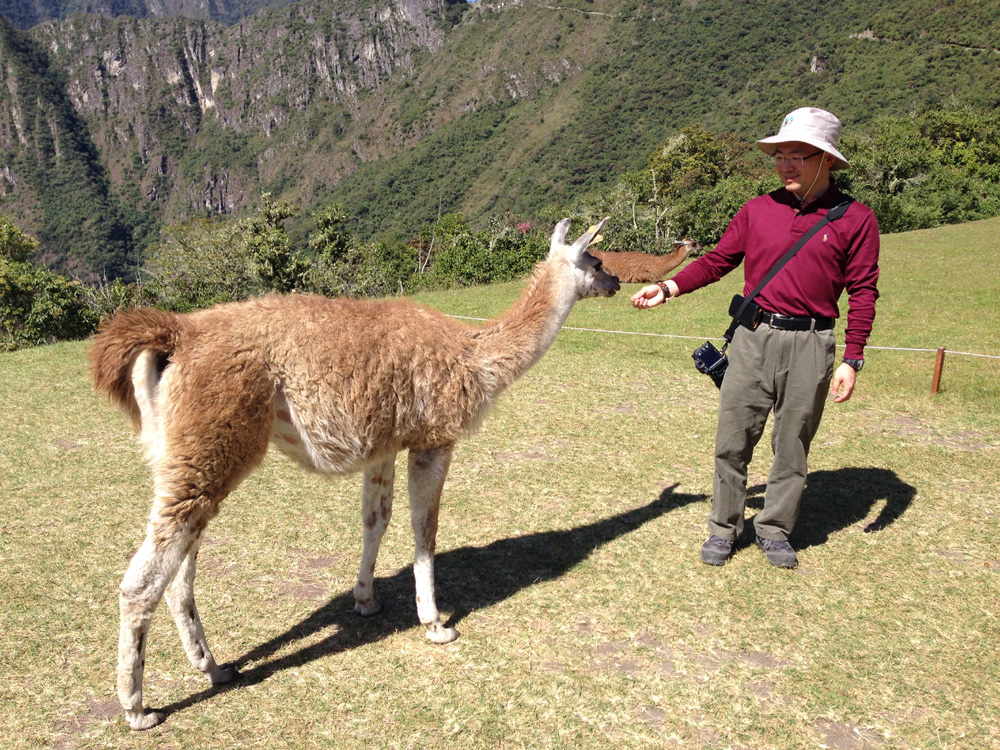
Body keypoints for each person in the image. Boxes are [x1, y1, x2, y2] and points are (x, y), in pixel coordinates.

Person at [631, 107, 880, 569]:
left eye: (797, 156)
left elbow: (864, 291)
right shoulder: (757, 210)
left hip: (812, 344)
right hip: (752, 336)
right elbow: (718, 260)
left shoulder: (856, 219)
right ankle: (724, 528)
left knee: (793, 445)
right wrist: (669, 287)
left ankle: (775, 530)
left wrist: (852, 357)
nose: (785, 164)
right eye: (779, 155)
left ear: (825, 160)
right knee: (733, 440)